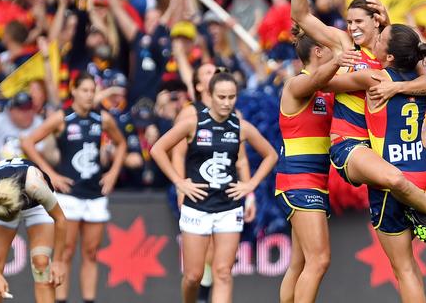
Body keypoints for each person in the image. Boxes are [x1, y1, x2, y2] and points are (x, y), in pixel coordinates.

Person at [291, 0, 426, 244]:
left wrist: (420, 75)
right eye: (349, 22)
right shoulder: (343, 45)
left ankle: (423, 205)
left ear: (377, 21)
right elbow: (301, 15)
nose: (351, 28)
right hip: (358, 144)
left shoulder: (391, 48)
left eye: (358, 22)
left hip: (391, 140)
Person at [326, 24, 426, 301]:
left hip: (392, 182)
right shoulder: (422, 77)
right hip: (419, 172)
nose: (374, 41)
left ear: (390, 57)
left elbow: (323, 84)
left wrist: (332, 63)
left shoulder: (374, 78)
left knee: (404, 269)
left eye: (380, 39)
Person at [151, 72, 277, 303]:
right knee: (193, 275)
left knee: (223, 272)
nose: (227, 102)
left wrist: (250, 186)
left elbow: (270, 154)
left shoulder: (241, 126)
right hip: (197, 206)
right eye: (221, 97)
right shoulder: (193, 123)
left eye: (232, 97)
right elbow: (158, 149)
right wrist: (179, 183)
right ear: (209, 95)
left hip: (228, 207)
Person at [21, 72, 126, 303]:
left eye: (92, 91)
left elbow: (121, 144)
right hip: (69, 194)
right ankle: (61, 299)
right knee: (65, 251)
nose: (89, 96)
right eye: (85, 90)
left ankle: (89, 300)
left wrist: (113, 174)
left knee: (91, 253)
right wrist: (51, 175)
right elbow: (28, 142)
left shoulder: (103, 119)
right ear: (74, 91)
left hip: (95, 193)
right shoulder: (62, 118)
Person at [276, 28, 355, 303]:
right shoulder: (296, 84)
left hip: (314, 185)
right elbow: (318, 79)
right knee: (319, 260)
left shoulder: (327, 88)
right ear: (319, 52)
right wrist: (340, 59)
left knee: (299, 264)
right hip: (298, 183)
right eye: (330, 47)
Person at [0, 158, 67, 303]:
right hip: (6, 201)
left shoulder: (35, 186)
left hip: (36, 205)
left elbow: (60, 219)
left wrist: (58, 261)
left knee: (41, 263)